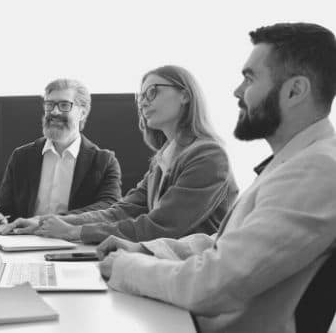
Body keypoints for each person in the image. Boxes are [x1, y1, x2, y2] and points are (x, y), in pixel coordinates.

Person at [97, 22, 336, 333]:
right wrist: (146, 251)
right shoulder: (296, 160)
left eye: (249, 78)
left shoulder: (316, 169)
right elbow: (227, 244)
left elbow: (212, 284)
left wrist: (125, 267)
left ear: (295, 91)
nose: (237, 91)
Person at [2, 65, 238, 244]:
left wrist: (75, 231)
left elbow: (160, 226)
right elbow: (122, 210)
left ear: (185, 95)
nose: (143, 103)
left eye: (152, 92)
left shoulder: (208, 156)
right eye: (141, 97)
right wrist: (42, 222)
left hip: (191, 279)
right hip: (164, 265)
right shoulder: (164, 159)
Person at [0, 78, 122, 226]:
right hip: (25, 241)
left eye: (64, 105)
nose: (54, 111)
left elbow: (108, 208)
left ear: (82, 113)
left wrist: (43, 222)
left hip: (73, 242)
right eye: (49, 105)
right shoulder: (21, 157)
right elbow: (6, 210)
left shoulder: (104, 161)